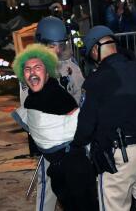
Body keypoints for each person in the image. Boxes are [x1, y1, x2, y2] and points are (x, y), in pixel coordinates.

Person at [71, 25, 136, 211]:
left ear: (96, 50)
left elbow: (86, 125)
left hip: (120, 159)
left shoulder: (97, 80)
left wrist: (77, 144)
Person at [12, 43, 98, 211]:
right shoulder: (31, 99)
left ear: (47, 71)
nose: (32, 73)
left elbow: (80, 124)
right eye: (28, 69)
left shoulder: (57, 95)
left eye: (37, 67)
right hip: (58, 170)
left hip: (76, 169)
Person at [35, 15, 85, 211]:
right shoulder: (33, 69)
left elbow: (80, 95)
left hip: (72, 137)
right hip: (50, 139)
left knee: (75, 188)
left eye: (60, 44)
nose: (57, 50)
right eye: (51, 46)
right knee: (47, 188)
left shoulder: (69, 66)